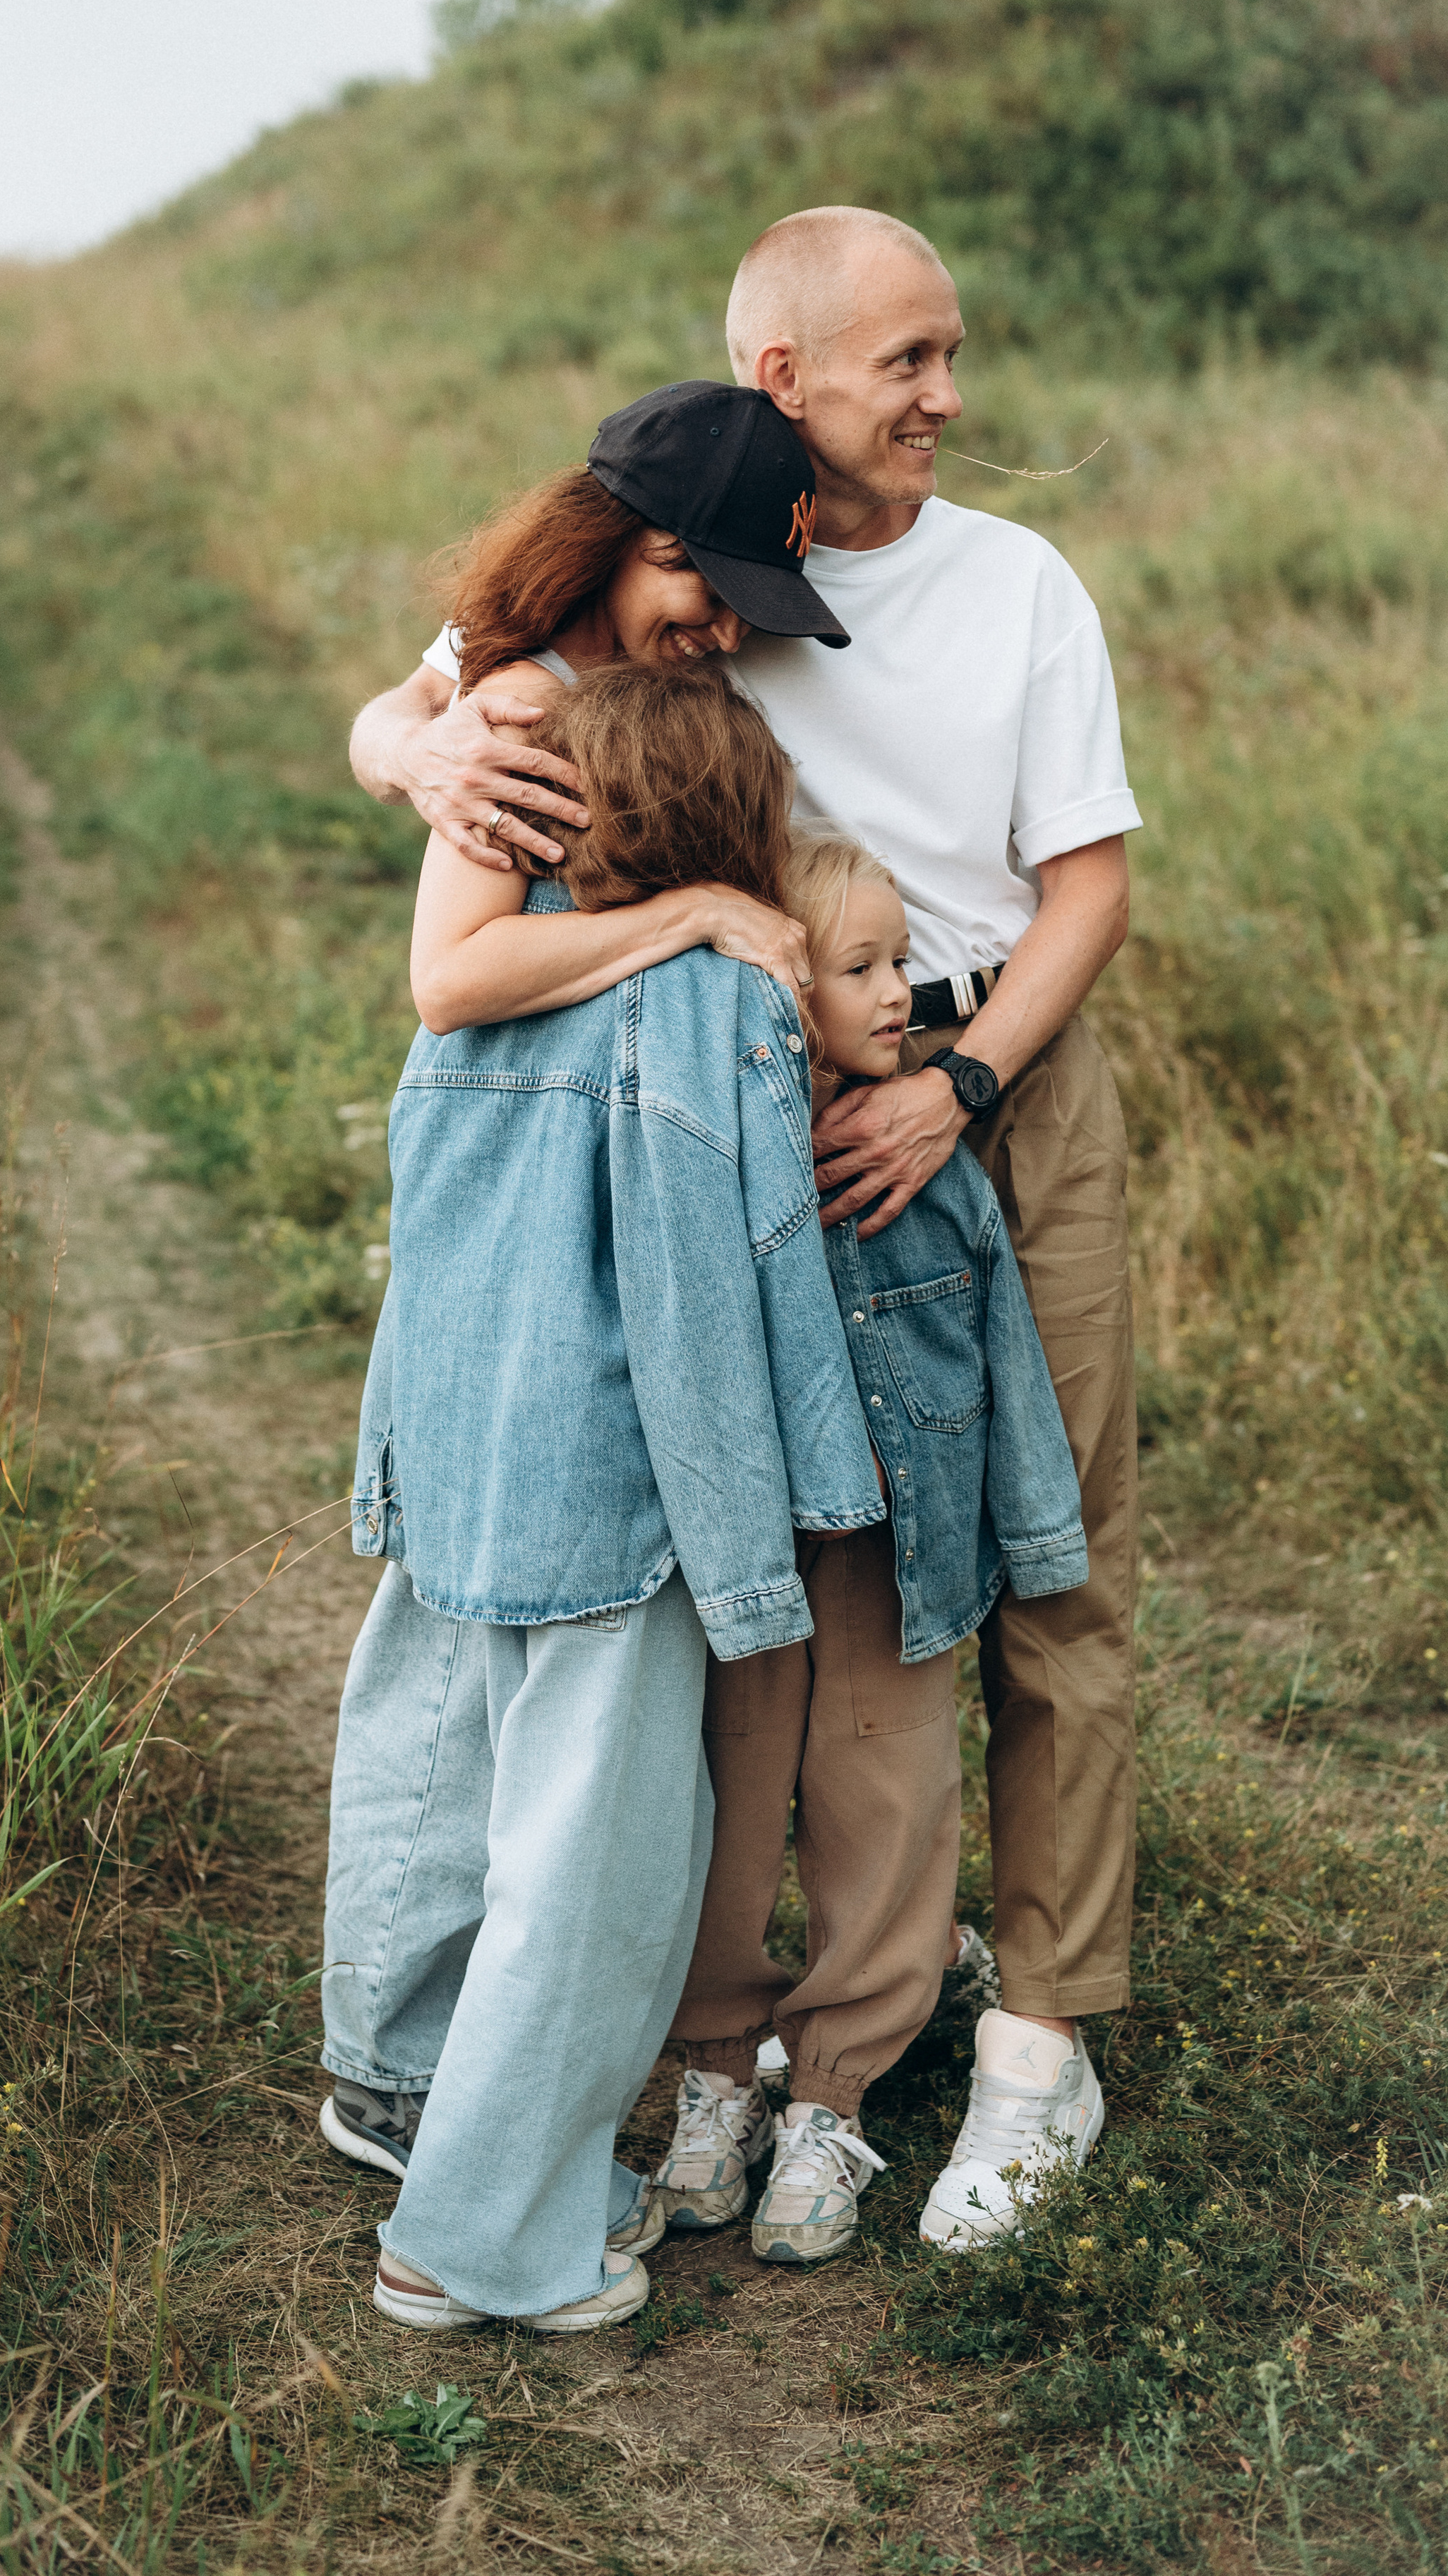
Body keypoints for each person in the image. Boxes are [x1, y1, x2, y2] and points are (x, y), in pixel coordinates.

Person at [349, 204, 1142, 2247]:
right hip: (746, 1124)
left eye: (952, 357)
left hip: (988, 1087)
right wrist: (420, 739)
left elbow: (1088, 890)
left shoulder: (1010, 586)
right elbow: (445, 696)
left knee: (1043, 1568)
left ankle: (1040, 2038)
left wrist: (952, 1090)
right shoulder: (701, 549)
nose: (951, 399)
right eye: (912, 363)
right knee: (770, 1590)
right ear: (782, 389)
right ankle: (734, 2043)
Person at [322, 512, 881, 2329]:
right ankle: (487, 2238)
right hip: (612, 1479)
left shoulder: (493, 973)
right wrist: (802, 1496)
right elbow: (737, 1295)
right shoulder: (710, 997)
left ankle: (391, 2081)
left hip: (455, 1427)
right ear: (734, 833)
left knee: (423, 1748)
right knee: (596, 1858)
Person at [656, 833, 1093, 2263]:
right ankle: (714, 2071)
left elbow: (1005, 1346)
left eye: (901, 957)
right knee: (719, 1802)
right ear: (775, 990)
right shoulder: (712, 1142)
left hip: (893, 1550)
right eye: (859, 967)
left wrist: (1026, 1532)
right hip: (749, 1545)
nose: (899, 991)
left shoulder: (927, 1160)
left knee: (886, 1798)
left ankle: (830, 2092)